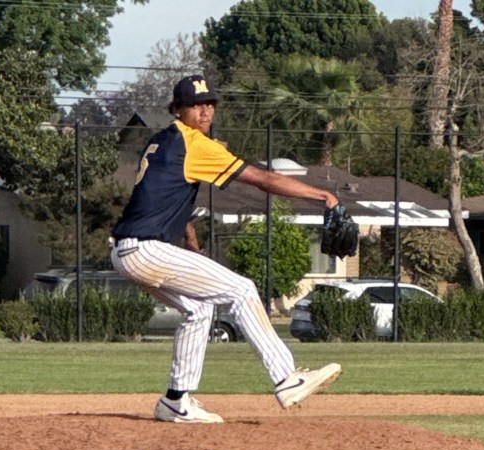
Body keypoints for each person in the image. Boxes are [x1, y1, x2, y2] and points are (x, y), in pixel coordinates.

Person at [110, 74, 343, 424]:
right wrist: (320, 195)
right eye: (194, 104)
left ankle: (175, 400)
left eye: (209, 104)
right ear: (177, 109)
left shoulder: (163, 141)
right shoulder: (195, 144)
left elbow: (157, 197)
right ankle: (286, 378)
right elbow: (262, 179)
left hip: (128, 251)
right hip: (147, 251)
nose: (204, 111)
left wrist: (187, 232)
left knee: (198, 310)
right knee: (242, 289)